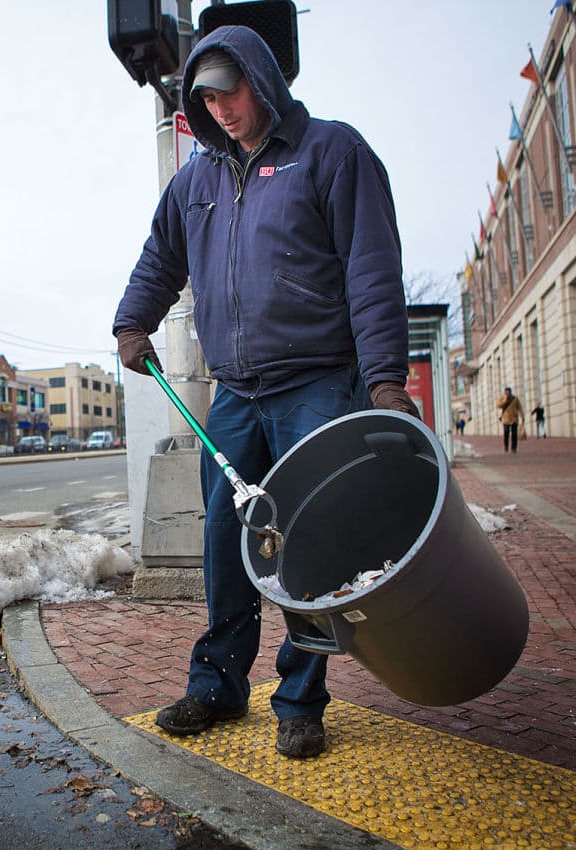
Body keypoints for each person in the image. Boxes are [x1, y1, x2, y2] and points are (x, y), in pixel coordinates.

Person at [111, 27, 417, 760]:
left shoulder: (332, 153)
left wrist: (385, 381)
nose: (221, 109)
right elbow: (161, 255)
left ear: (263, 79)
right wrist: (132, 319)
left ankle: (301, 698)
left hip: (317, 385)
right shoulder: (198, 181)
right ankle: (216, 683)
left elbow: (372, 272)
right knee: (228, 542)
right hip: (237, 396)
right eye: (207, 98)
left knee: (312, 545)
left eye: (231, 90)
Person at [497, 387, 524, 453]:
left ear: (511, 392)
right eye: (506, 393)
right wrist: (505, 400)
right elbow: (498, 406)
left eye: (508, 392)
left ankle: (514, 448)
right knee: (506, 434)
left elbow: (519, 407)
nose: (507, 394)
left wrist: (522, 416)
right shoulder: (502, 398)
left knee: (514, 434)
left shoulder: (515, 399)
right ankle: (506, 446)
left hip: (514, 419)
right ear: (505, 393)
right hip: (506, 419)